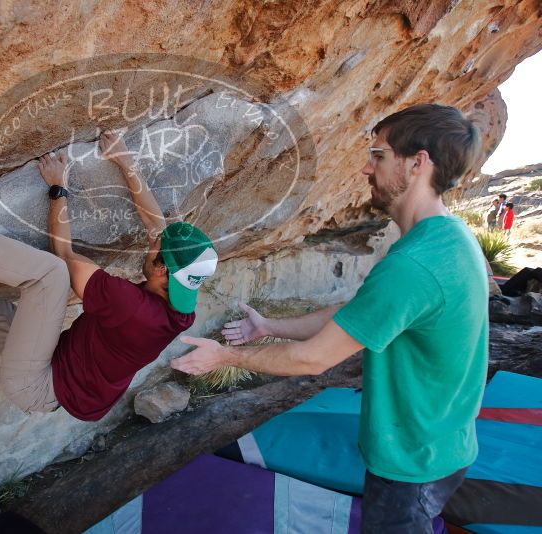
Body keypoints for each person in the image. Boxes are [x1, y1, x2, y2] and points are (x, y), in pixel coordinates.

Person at [171, 104, 487, 534]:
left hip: (411, 465)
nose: (366, 168)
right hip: (446, 442)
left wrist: (224, 356)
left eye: (379, 156)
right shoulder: (449, 238)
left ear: (417, 164)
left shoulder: (414, 265)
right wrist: (269, 327)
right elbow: (355, 314)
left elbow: (313, 359)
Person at [0, 131, 218, 421]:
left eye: (157, 248)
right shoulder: (181, 308)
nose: (153, 240)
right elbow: (156, 225)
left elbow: (64, 257)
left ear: (161, 269)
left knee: (51, 274)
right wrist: (125, 161)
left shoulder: (131, 307)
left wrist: (59, 188)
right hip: (60, 370)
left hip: (35, 386)